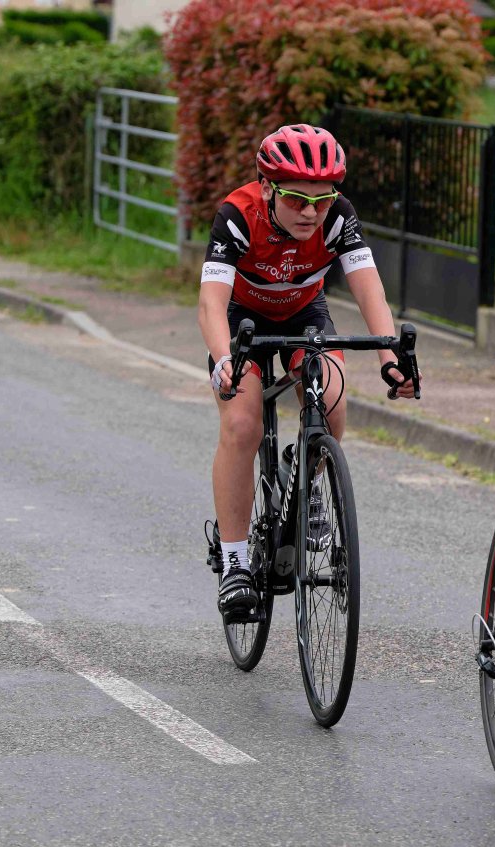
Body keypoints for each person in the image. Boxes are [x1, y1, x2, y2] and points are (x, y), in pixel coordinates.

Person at [198, 123, 415, 618]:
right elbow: (210, 303)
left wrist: (390, 359)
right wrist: (224, 359)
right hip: (241, 320)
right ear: (268, 188)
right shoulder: (237, 215)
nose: (311, 212)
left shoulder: (339, 217)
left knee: (333, 403)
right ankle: (235, 564)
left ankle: (305, 473)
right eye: (297, 199)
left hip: (304, 313)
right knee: (242, 423)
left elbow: (370, 289)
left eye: (322, 199)